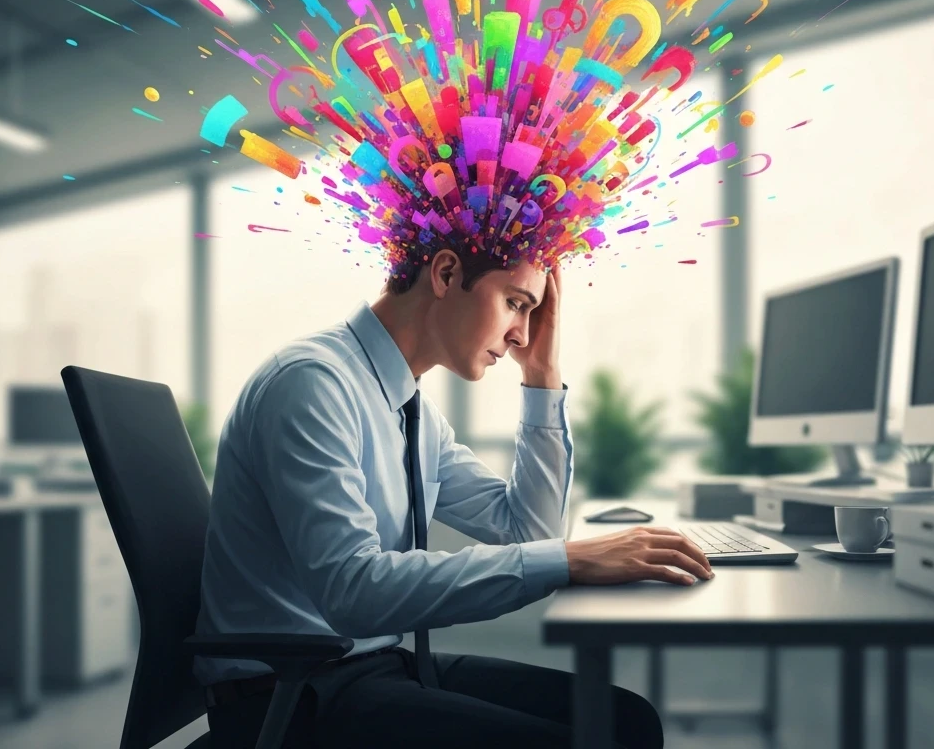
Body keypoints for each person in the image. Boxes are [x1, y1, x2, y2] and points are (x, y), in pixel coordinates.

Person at [195, 243, 715, 748]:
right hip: (289, 698)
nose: (521, 333)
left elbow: (529, 532)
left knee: (627, 722)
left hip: (371, 667)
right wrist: (566, 560)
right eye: (515, 303)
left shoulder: (412, 411)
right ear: (446, 274)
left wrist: (541, 375)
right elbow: (352, 593)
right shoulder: (312, 384)